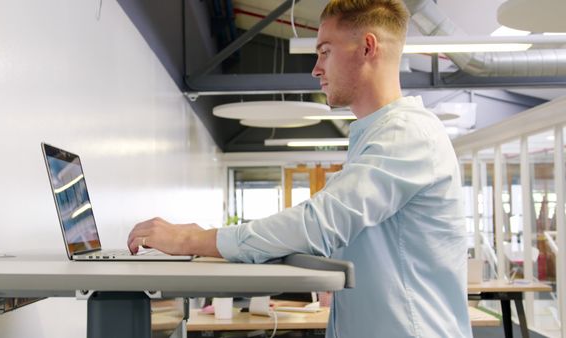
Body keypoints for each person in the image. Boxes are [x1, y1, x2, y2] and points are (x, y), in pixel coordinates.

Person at [128, 0, 472, 337]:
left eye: (325, 51)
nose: (315, 68)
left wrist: (192, 238)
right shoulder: (378, 136)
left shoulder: (407, 134)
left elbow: (318, 225)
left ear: (367, 47)